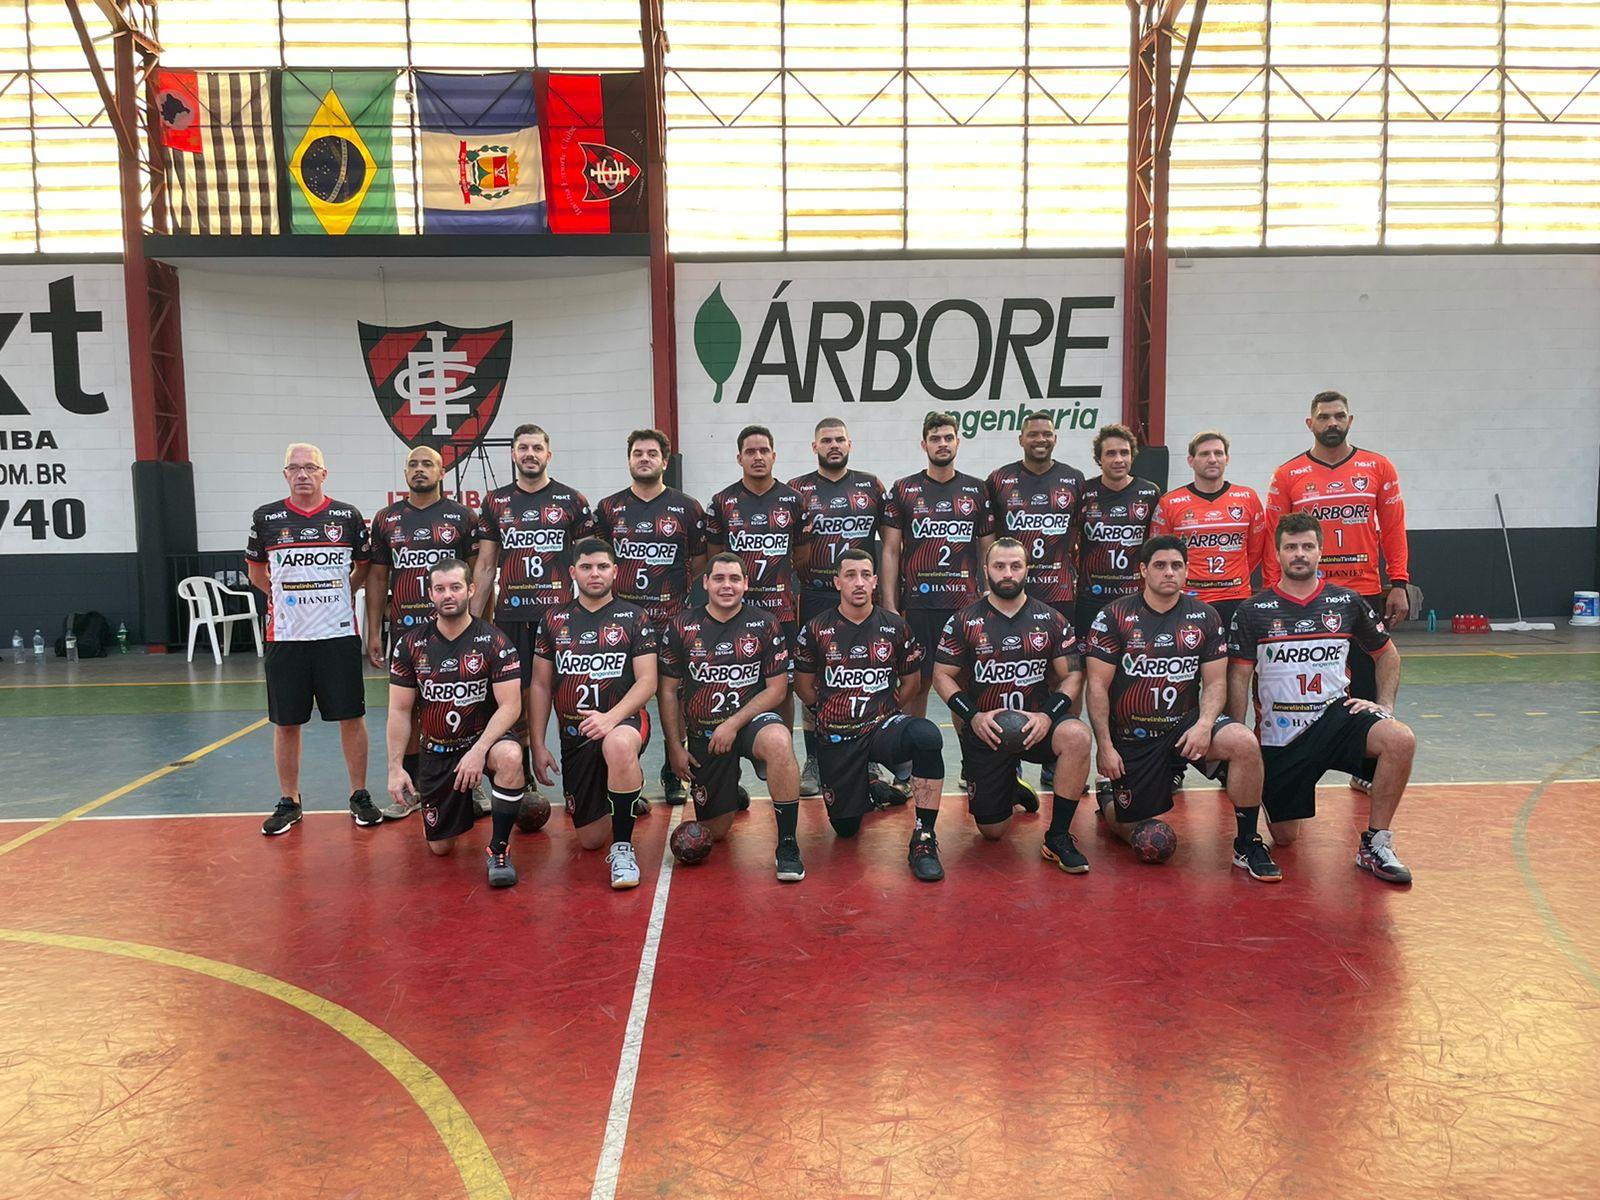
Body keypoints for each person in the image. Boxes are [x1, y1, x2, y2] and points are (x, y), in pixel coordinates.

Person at [1227, 512, 1417, 884]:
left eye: (1307, 546)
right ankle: (1274, 795)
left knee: (1400, 738)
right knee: (1285, 839)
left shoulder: (1347, 602)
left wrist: (1386, 707)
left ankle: (1376, 842)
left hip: (1336, 720)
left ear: (1320, 552)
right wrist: (1238, 733)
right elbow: (1239, 675)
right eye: (1291, 547)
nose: (1300, 554)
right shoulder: (1253, 611)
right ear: (1278, 554)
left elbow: (1387, 654)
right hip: (1282, 736)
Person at [1083, 536, 1279, 880]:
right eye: (1160, 565)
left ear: (1187, 571)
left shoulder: (1204, 616)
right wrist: (1106, 747)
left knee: (1245, 743)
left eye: (1176, 566)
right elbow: (1097, 685)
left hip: (1185, 726)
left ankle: (1247, 843)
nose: (1169, 573)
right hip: (1135, 736)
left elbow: (1216, 682)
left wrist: (1205, 724)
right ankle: (1108, 798)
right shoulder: (1114, 615)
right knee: (1145, 840)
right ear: (1143, 570)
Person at [1263, 391, 1410, 787]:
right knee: (1300, 676)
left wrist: (1399, 581)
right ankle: (1293, 762)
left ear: (1350, 420)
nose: (1332, 423)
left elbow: (1394, 528)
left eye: (1339, 416)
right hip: (1305, 593)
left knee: (1362, 678)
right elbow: (1272, 538)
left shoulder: (1377, 467)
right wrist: (1268, 592)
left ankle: (1365, 768)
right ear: (1309, 423)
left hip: (1364, 590)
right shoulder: (1287, 474)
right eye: (1324, 417)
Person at [931, 539, 1092, 870]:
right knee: (992, 832)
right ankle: (1011, 785)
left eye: (1015, 566)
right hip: (987, 731)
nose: (1008, 573)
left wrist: (1048, 717)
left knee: (1077, 735)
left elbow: (1073, 676)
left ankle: (1058, 836)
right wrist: (973, 717)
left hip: (1036, 726)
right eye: (1000, 566)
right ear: (985, 570)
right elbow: (941, 677)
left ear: (1026, 570)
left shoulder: (1051, 619)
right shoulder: (964, 620)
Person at [248, 442, 382, 835]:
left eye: (310, 467)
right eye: (294, 468)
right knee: (286, 722)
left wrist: (338, 594)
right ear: (285, 475)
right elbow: (257, 574)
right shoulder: (267, 517)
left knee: (351, 717)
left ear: (325, 474)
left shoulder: (347, 516)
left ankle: (359, 794)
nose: (302, 474)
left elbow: (362, 568)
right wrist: (286, 600)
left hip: (336, 635)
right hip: (286, 638)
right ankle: (290, 800)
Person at [792, 549, 947, 882]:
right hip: (837, 736)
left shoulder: (895, 627)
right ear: (837, 582)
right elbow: (803, 687)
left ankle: (923, 839)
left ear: (875, 580)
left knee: (927, 736)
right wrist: (829, 710)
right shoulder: (816, 629)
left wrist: (887, 710)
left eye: (865, 574)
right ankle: (871, 785)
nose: (858, 582)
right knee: (846, 829)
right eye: (850, 575)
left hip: (880, 729)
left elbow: (912, 684)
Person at [657, 553, 806, 883]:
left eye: (735, 579)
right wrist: (674, 747)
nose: (727, 585)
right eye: (720, 578)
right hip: (704, 733)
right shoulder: (681, 626)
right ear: (706, 582)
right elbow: (667, 691)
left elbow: (777, 690)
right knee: (717, 832)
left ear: (746, 584)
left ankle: (787, 844)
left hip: (749, 724)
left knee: (780, 742)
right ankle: (729, 790)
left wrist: (733, 723)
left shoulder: (765, 623)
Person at [470, 424, 594, 799]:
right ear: (512, 453)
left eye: (537, 447)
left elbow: (590, 564)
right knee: (518, 702)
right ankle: (519, 783)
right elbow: (486, 565)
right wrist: (473, 622)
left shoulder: (571, 500)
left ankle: (584, 781)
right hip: (512, 618)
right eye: (523, 447)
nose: (530, 453)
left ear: (548, 454)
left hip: (560, 620)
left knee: (571, 698)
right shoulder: (495, 502)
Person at [385, 560, 527, 887]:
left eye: (455, 587)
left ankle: (498, 848)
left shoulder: (494, 641)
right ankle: (461, 805)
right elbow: (399, 711)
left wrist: (478, 752)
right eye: (440, 589)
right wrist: (395, 767)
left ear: (471, 590)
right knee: (440, 848)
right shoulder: (410, 645)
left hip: (482, 742)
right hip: (437, 749)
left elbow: (511, 706)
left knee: (510, 756)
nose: (448, 595)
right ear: (430, 594)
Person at [528, 538, 659, 891]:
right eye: (586, 567)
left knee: (618, 747)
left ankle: (623, 849)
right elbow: (540, 686)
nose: (595, 574)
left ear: (615, 571)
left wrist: (611, 717)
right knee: (589, 839)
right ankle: (625, 790)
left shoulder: (635, 617)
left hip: (624, 721)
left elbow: (648, 681)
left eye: (602, 567)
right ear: (573, 572)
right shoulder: (553, 620)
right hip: (575, 735)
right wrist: (538, 745)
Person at [882, 411, 996, 791]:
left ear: (958, 442)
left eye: (949, 437)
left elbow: (987, 551)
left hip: (963, 609)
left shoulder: (977, 490)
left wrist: (989, 599)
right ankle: (909, 768)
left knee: (963, 685)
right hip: (918, 606)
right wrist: (889, 605)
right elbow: (892, 551)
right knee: (916, 685)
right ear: (924, 444)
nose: (942, 443)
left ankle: (972, 764)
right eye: (935, 438)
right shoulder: (904, 489)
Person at [364, 445, 479, 820]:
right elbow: (378, 577)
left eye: (427, 463)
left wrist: (477, 625)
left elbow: (476, 575)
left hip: (457, 632)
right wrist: (376, 629)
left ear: (442, 471)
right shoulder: (386, 519)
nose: (419, 469)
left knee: (465, 704)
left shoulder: (462, 517)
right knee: (410, 709)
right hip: (408, 630)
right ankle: (412, 788)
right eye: (412, 464)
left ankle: (470, 786)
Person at [595, 428, 708, 806]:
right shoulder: (609, 508)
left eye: (652, 453)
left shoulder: (687, 507)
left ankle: (675, 772)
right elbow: (600, 564)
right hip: (623, 624)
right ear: (629, 460)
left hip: (672, 619)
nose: (644, 458)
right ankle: (631, 775)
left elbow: (698, 562)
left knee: (676, 696)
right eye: (638, 453)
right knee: (627, 698)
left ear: (664, 461)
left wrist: (690, 611)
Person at [986, 411, 1086, 793]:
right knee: (1006, 673)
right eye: (1033, 434)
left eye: (1046, 433)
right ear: (1021, 439)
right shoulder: (1000, 479)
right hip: (1010, 595)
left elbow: (1076, 532)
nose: (1040, 439)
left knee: (1064, 675)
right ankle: (1004, 759)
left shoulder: (1073, 479)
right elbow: (994, 538)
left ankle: (1053, 757)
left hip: (1059, 594)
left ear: (1055, 439)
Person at [788, 417, 888, 799]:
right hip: (816, 594)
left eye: (840, 440)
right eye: (826, 440)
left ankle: (870, 753)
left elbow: (890, 542)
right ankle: (816, 758)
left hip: (861, 596)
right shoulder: (797, 490)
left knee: (867, 673)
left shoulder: (871, 486)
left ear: (850, 444)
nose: (834, 445)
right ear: (814, 447)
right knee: (816, 677)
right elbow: (795, 549)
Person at [1076, 423, 1163, 805]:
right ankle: (1076, 755)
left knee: (1128, 683)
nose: (1118, 459)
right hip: (1090, 600)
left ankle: (1125, 758)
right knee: (1084, 679)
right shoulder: (1084, 493)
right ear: (1099, 458)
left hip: (1133, 604)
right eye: (1110, 453)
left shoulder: (1148, 493)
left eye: (1124, 453)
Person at [706, 425, 806, 743]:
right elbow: (715, 558)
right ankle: (729, 755)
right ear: (739, 458)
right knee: (727, 680)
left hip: (782, 611)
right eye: (750, 451)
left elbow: (802, 556)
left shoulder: (793, 501)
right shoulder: (723, 502)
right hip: (735, 612)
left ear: (774, 456)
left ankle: (783, 747)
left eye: (764, 451)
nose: (758, 457)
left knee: (785, 684)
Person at [1150, 430, 1266, 633]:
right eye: (1204, 454)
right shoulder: (1170, 503)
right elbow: (1158, 553)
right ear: (1190, 460)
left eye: (1218, 453)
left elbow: (1255, 551)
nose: (1212, 459)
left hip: (1235, 596)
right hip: (1189, 597)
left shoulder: (1247, 497)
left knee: (1238, 662)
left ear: (1227, 459)